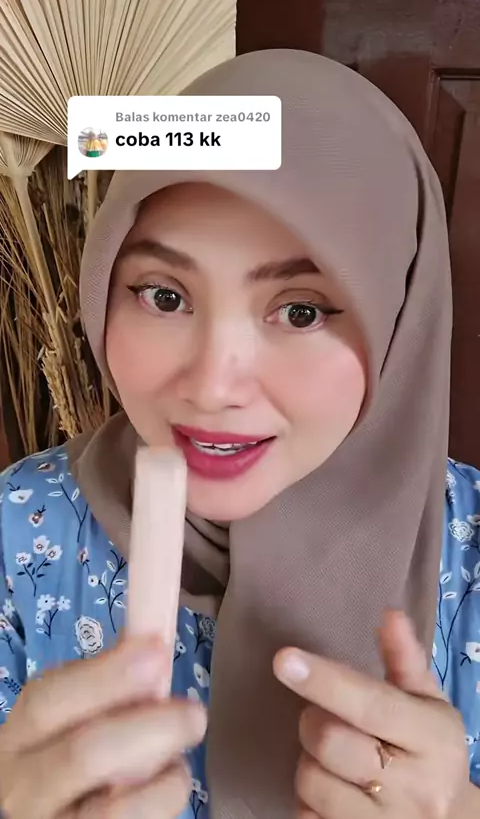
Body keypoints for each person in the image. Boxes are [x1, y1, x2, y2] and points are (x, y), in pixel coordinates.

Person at [0, 49, 479, 819]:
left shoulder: (473, 554)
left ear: (397, 321)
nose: (213, 386)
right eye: (163, 296)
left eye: (301, 311)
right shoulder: (18, 536)